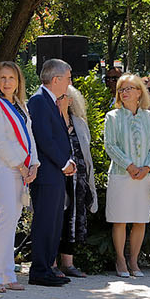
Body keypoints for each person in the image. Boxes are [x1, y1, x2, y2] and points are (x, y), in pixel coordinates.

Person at [0, 61, 37, 293]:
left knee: (13, 219)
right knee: (6, 217)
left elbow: (30, 137)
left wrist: (34, 163)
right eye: (2, 78)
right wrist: (20, 165)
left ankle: (7, 273)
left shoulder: (21, 106)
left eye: (11, 78)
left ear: (18, 82)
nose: (6, 82)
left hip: (23, 167)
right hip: (4, 167)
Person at [26, 58, 77, 286]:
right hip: (47, 173)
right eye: (68, 78)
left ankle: (47, 267)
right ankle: (39, 269)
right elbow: (44, 138)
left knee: (55, 222)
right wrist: (63, 162)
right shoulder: (38, 101)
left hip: (55, 173)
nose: (69, 82)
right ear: (56, 79)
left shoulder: (50, 100)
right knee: (45, 221)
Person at [103, 73, 150, 278]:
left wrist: (146, 168)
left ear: (139, 92)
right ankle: (121, 260)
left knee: (140, 220)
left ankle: (134, 260)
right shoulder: (112, 117)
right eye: (121, 89)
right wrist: (129, 166)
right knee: (120, 220)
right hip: (121, 175)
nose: (124, 93)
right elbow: (110, 146)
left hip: (143, 176)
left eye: (129, 89)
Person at [56, 84, 99, 278]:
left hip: (79, 180)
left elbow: (86, 152)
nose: (58, 100)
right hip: (58, 178)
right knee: (56, 220)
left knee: (74, 220)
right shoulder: (51, 120)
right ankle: (52, 263)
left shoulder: (79, 123)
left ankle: (68, 263)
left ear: (71, 100)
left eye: (62, 97)